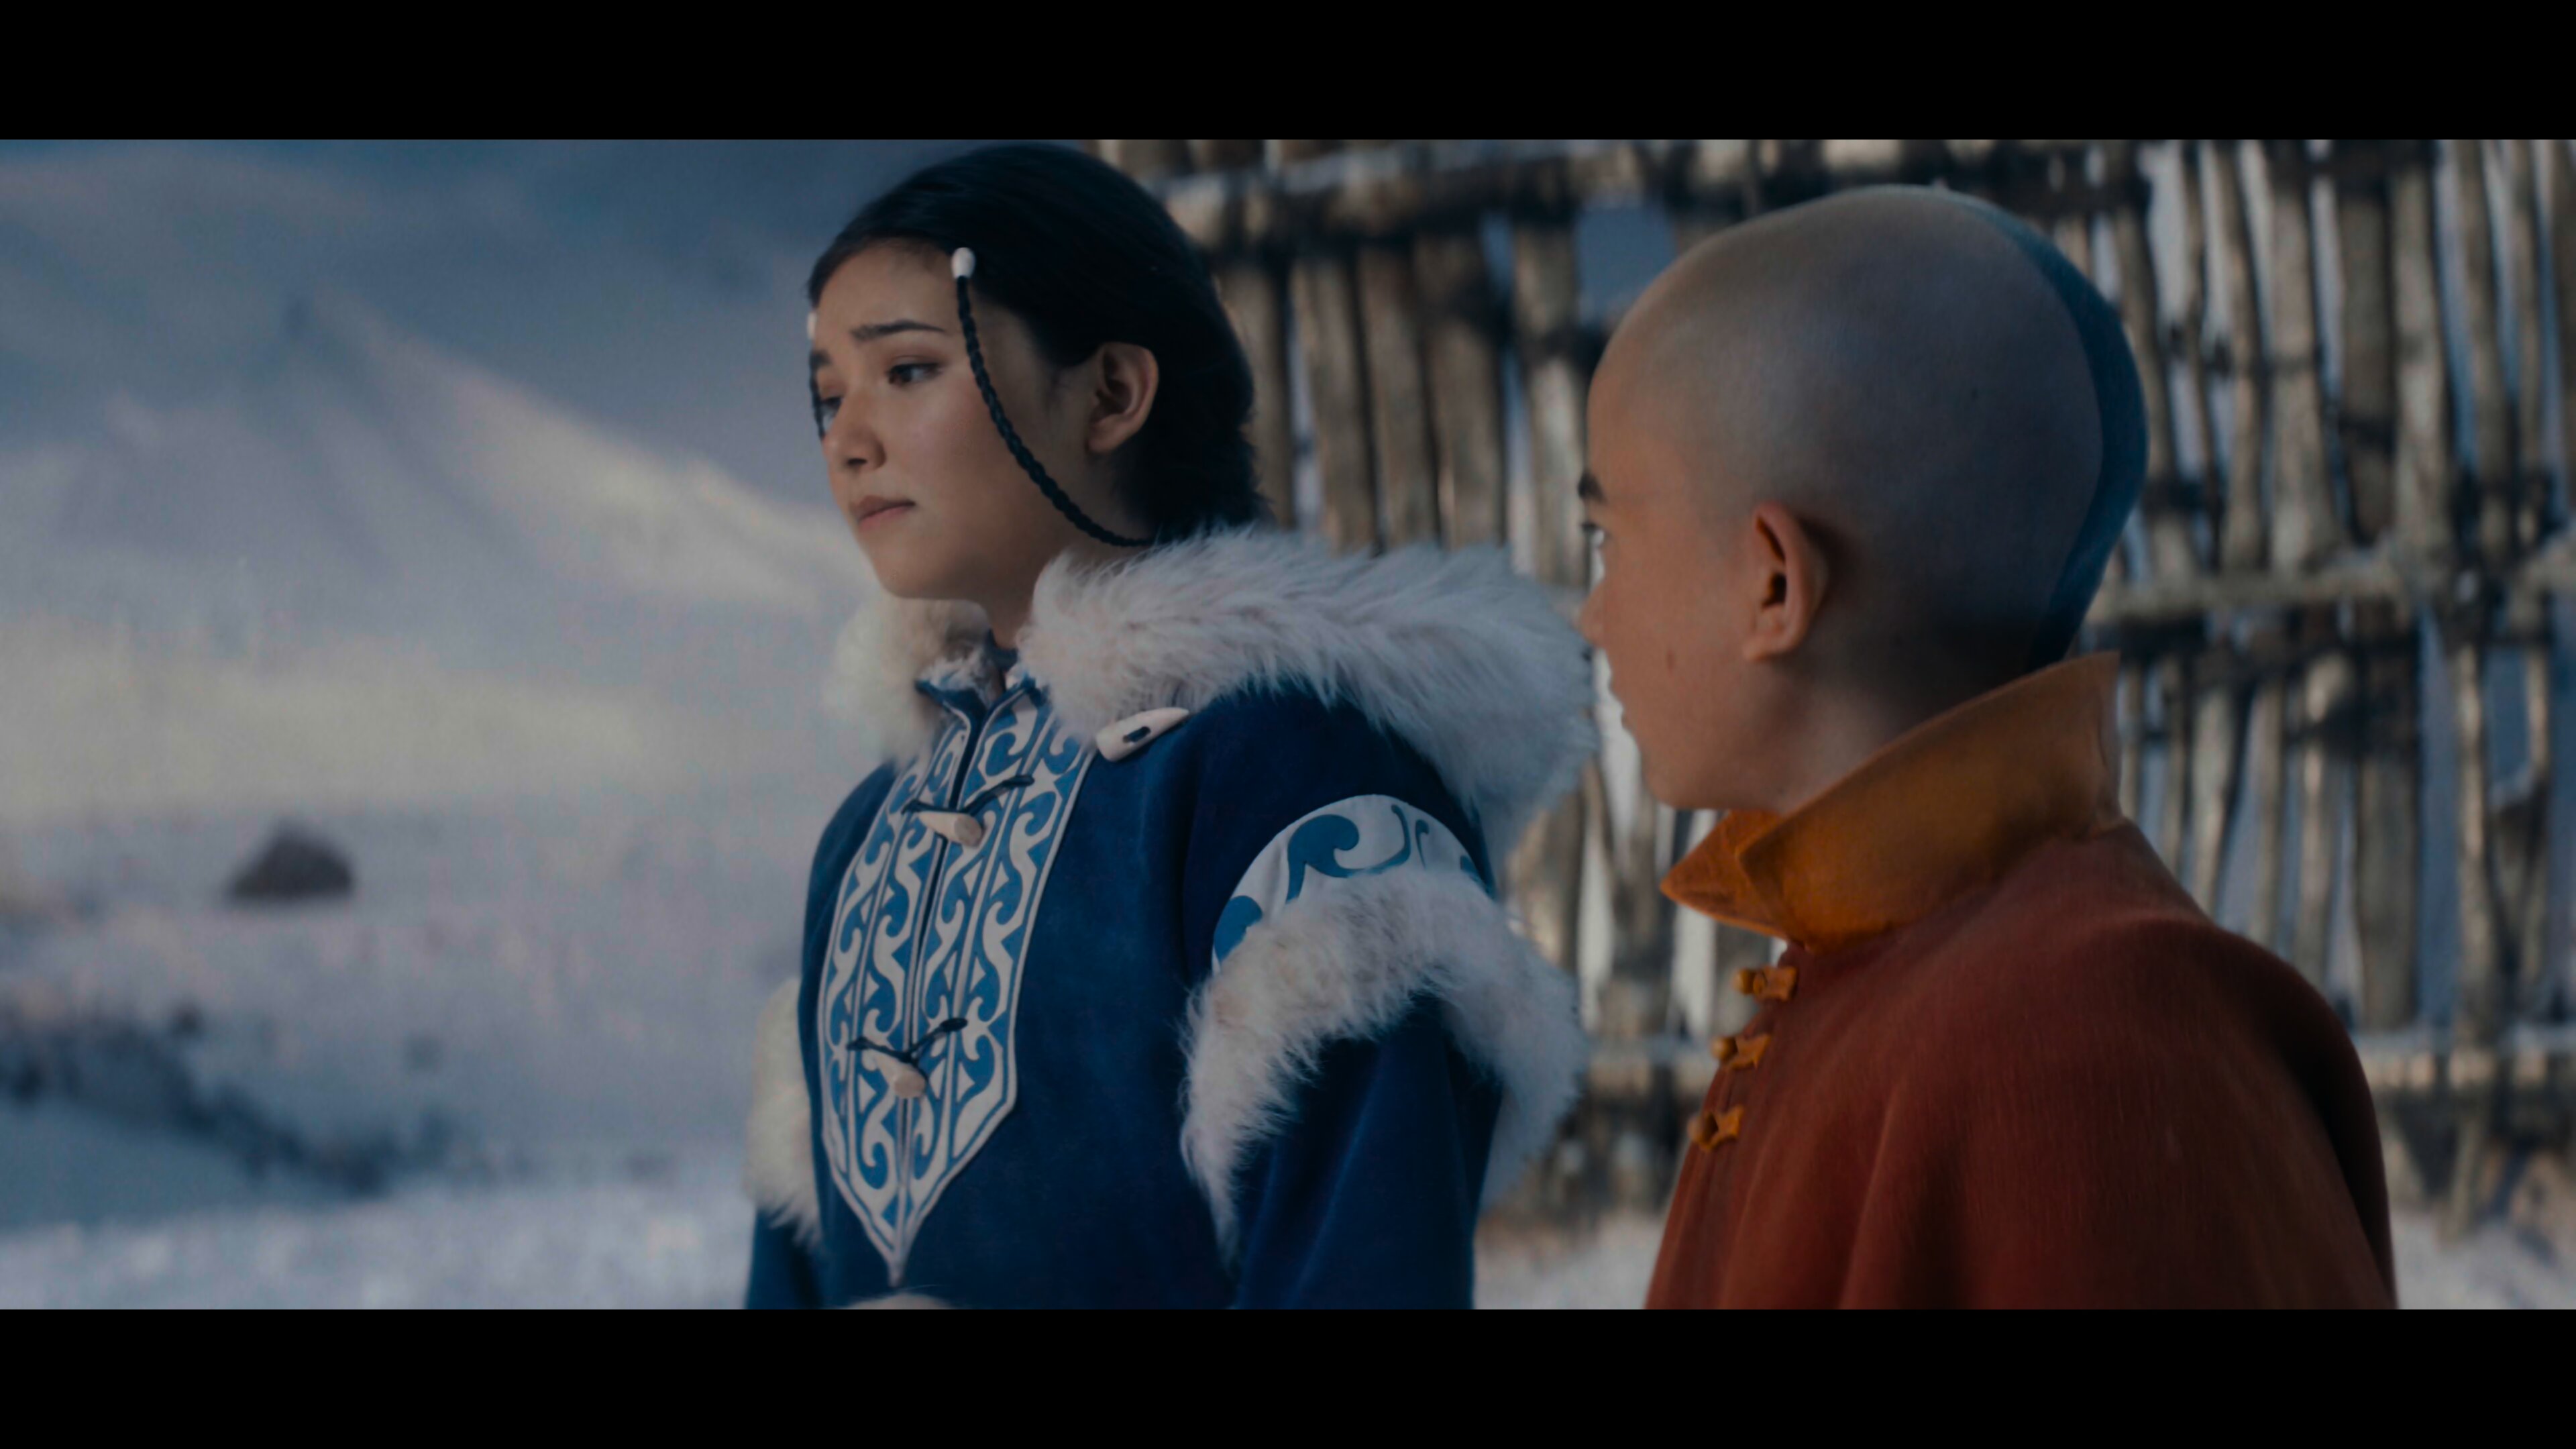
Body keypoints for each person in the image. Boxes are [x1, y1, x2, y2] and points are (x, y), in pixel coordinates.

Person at [743, 143, 1592, 1307]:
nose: (849, 439)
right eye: (828, 394)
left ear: (1111, 395)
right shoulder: (867, 838)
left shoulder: (1296, 776)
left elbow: (1361, 1274)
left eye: (908, 370)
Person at [1578, 185, 2395, 1307]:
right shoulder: (1863, 963)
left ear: (1773, 583)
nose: (1594, 615)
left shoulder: (2090, 1045)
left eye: (1607, 539)